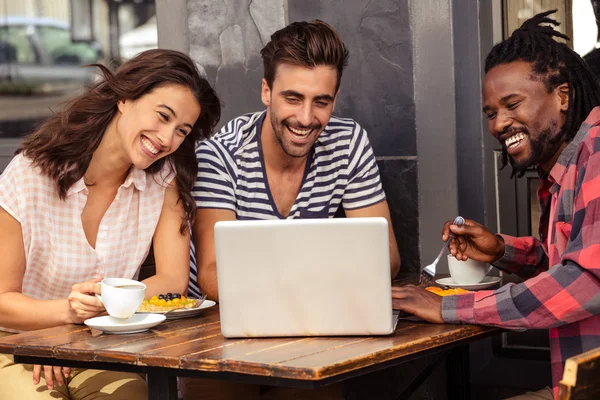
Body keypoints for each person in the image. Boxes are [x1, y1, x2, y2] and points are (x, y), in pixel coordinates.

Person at [183, 20, 400, 399]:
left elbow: (386, 258)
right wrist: (321, 282)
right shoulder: (220, 155)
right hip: (218, 334)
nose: (305, 118)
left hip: (311, 332)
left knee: (318, 393)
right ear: (266, 91)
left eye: (321, 101)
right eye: (293, 98)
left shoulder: (348, 142)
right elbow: (213, 276)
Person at [392, 10, 600, 399]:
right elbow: (568, 265)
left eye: (513, 104)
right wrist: (503, 250)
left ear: (563, 96)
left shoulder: (598, 150)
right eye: (491, 113)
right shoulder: (563, 170)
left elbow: (587, 282)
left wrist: (448, 308)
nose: (499, 123)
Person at [0, 49, 221, 399]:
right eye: (162, 116)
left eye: (182, 130)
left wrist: (102, 307)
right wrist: (65, 316)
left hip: (100, 344)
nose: (166, 139)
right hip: (15, 345)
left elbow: (172, 280)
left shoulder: (164, 182)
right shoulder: (30, 174)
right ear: (124, 99)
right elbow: (1, 299)